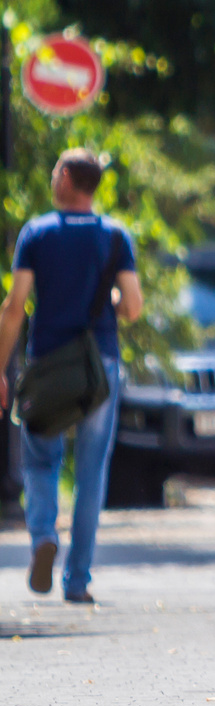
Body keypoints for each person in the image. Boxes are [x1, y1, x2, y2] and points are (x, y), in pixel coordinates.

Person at [0, 149, 144, 603]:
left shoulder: (37, 233)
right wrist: (115, 302)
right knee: (91, 472)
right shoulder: (116, 236)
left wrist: (1, 366)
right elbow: (134, 307)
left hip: (46, 366)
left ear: (64, 177)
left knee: (41, 460)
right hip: (98, 365)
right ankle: (77, 579)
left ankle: (44, 535)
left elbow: (14, 308)